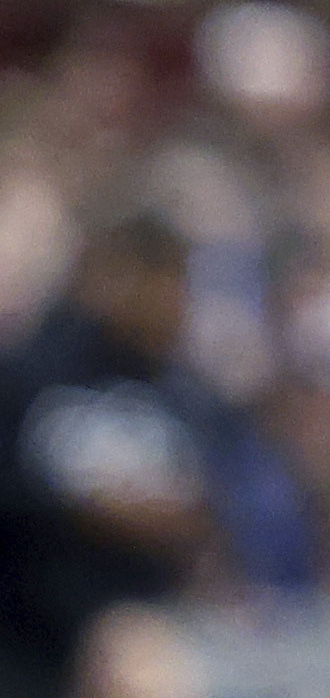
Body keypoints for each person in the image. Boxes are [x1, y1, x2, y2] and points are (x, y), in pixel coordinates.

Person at [1, 218, 222, 698]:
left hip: (151, 621)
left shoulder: (183, 392)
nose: (177, 301)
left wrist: (171, 517)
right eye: (165, 281)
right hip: (33, 633)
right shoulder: (29, 373)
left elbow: (213, 508)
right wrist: (84, 505)